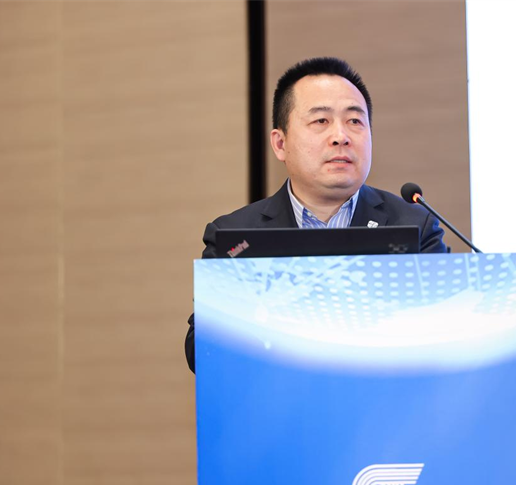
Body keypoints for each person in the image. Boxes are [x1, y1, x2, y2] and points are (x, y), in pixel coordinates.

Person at [184, 57, 446, 372]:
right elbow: (201, 352)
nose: (341, 136)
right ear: (280, 144)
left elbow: (444, 336)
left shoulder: (416, 226)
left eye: (355, 121)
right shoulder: (233, 235)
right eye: (321, 120)